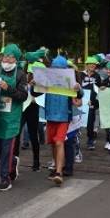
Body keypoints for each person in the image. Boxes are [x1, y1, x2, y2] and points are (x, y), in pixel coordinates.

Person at [0, 44, 28, 191]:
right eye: (5, 55)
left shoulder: (20, 74)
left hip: (12, 118)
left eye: (10, 56)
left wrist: (8, 89)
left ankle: (5, 178)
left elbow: (23, 96)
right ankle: (12, 162)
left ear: (16, 59)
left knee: (7, 148)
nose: (6, 58)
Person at [44, 55, 82, 186]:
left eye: (60, 68)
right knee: (53, 143)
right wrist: (33, 86)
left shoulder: (69, 80)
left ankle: (59, 172)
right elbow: (36, 92)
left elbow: (79, 94)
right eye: (55, 68)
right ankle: (56, 168)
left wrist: (78, 89)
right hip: (50, 115)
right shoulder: (47, 79)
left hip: (64, 116)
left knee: (59, 142)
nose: (57, 71)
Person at [16, 52, 45, 171]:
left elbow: (38, 94)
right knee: (16, 134)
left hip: (33, 108)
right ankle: (14, 160)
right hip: (21, 108)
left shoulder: (41, 78)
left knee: (33, 135)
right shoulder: (22, 74)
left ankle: (36, 161)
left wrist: (33, 86)